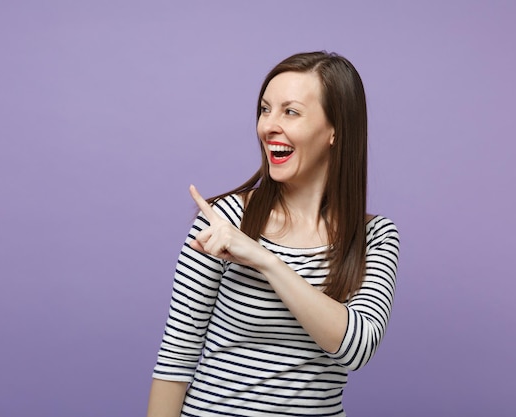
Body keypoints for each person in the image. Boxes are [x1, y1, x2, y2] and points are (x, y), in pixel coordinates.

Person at [147, 51, 400, 416]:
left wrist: (264, 260)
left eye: (290, 112)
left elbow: (355, 347)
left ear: (335, 130)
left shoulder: (374, 237)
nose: (268, 126)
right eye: (265, 110)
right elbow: (176, 358)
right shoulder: (225, 220)